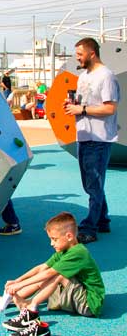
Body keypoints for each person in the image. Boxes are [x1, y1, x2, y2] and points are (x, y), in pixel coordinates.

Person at [0, 212, 105, 335]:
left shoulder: (79, 252)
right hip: (76, 297)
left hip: (90, 305)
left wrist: (20, 285)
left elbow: (50, 273)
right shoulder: (64, 250)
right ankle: (7, 301)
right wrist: (18, 281)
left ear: (69, 236)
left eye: (54, 239)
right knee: (47, 274)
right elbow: (42, 268)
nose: (51, 243)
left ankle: (31, 309)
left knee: (58, 275)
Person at [64, 37, 120, 244]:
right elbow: (83, 102)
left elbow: (110, 108)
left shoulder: (106, 77)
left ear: (92, 54)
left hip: (99, 138)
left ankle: (90, 227)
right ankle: (103, 220)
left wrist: (83, 109)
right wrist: (73, 105)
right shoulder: (83, 76)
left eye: (79, 54)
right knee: (91, 183)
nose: (77, 57)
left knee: (94, 185)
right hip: (84, 136)